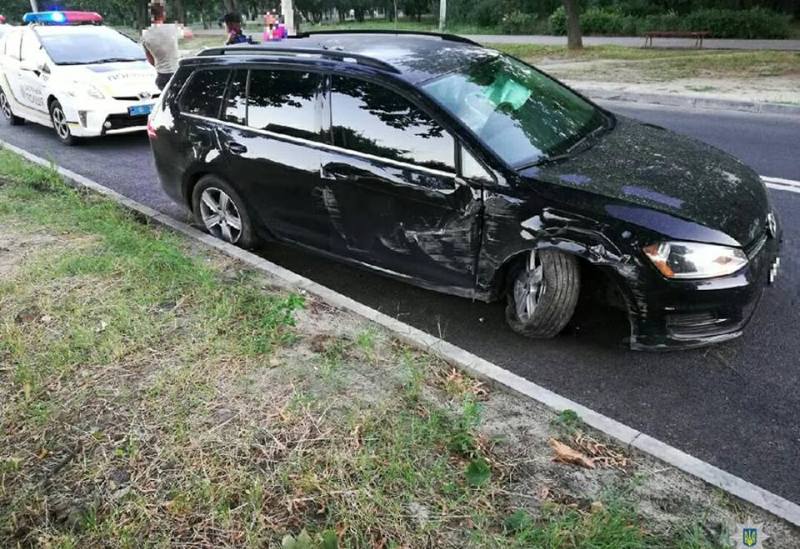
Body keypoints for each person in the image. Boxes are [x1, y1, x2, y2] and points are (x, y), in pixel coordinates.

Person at [141, 2, 179, 91]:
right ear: (164, 13)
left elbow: (150, 59)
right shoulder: (172, 28)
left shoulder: (145, 34)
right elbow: (189, 34)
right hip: (175, 74)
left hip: (161, 76)